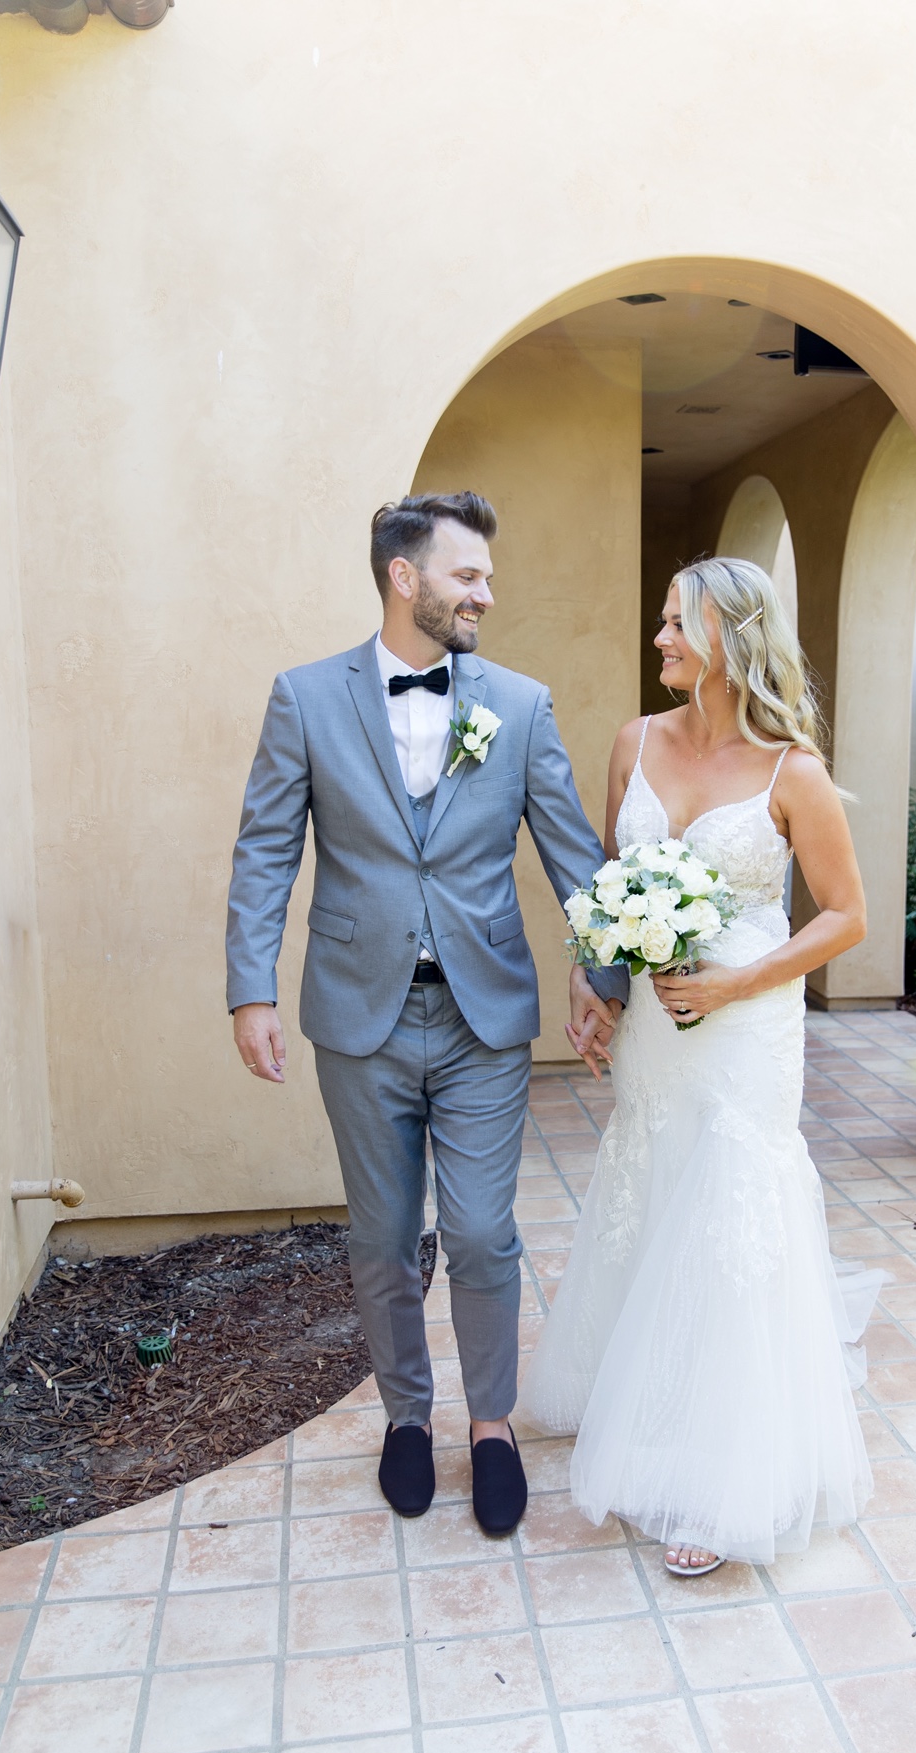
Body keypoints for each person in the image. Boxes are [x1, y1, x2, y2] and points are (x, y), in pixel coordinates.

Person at [226, 491, 626, 1535]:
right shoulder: (306, 699)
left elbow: (575, 854)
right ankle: (409, 1418)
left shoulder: (520, 705)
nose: (485, 593)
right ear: (406, 579)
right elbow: (267, 847)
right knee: (384, 1237)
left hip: (482, 1017)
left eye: (485, 577)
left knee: (487, 1235)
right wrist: (251, 986)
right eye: (467, 576)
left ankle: (489, 1427)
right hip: (357, 1016)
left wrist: (605, 971)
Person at [522, 556, 884, 1574]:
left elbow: (849, 918)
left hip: (746, 1028)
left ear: (728, 637)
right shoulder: (633, 743)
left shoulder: (792, 774)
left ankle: (718, 1477)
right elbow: (607, 880)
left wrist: (738, 983)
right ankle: (639, 1393)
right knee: (653, 1184)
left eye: (677, 624)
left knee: (727, 1211)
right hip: (653, 1030)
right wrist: (592, 987)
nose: (662, 641)